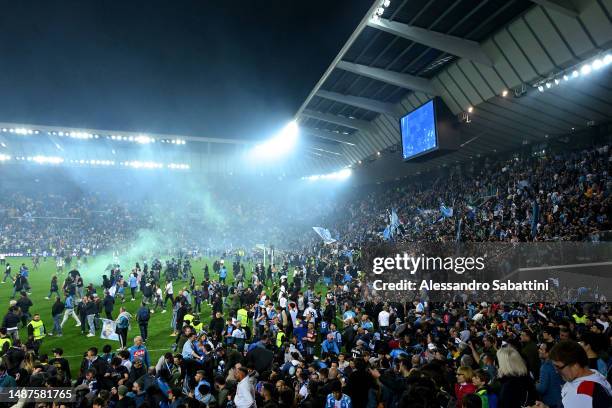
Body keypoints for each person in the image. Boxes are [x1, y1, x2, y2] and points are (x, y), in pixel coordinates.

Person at [533, 340, 612, 408]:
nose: (556, 371)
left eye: (558, 367)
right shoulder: (592, 373)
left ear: (575, 366)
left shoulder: (582, 394)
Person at [536, 342, 562, 408]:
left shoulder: (545, 367)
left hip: (550, 402)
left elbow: (542, 389)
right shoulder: (559, 363)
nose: (539, 350)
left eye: (541, 349)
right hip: (561, 400)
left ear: (548, 353)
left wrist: (535, 385)